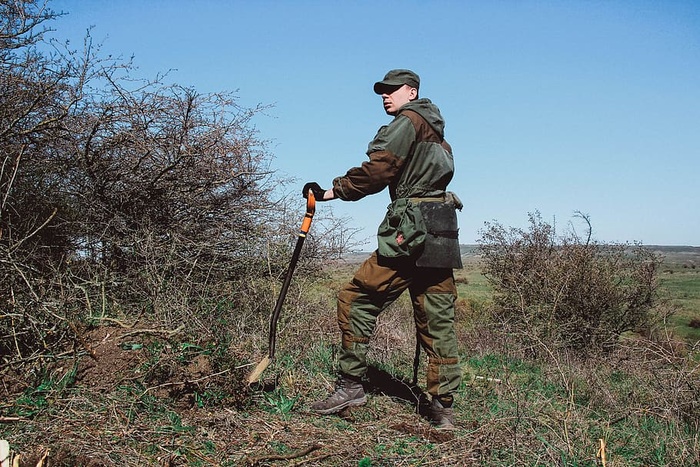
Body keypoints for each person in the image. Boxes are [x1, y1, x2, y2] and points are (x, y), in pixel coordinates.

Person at [303, 69, 463, 429]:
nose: (385, 97)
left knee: (356, 298)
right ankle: (442, 408)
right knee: (436, 316)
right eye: (382, 92)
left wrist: (332, 192)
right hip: (440, 228)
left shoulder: (408, 121)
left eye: (392, 91)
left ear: (412, 91)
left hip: (410, 231)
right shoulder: (438, 133)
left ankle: (350, 386)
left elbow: (379, 171)